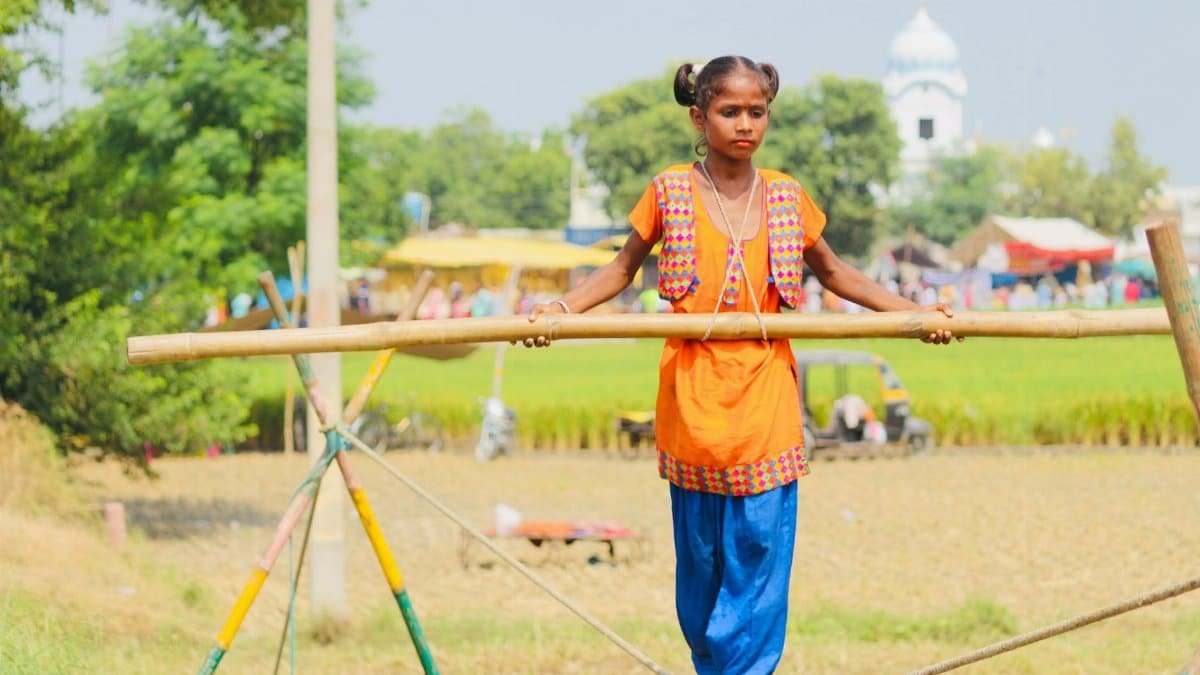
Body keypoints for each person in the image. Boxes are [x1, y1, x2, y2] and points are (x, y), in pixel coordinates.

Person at [520, 56, 958, 673]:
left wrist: (915, 314)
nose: (745, 124)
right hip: (694, 407)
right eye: (730, 112)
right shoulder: (670, 190)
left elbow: (835, 273)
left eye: (757, 112)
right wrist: (559, 310)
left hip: (765, 406)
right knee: (700, 573)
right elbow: (621, 272)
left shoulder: (784, 195)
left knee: (758, 562)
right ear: (699, 117)